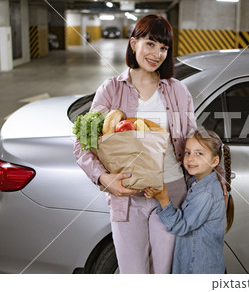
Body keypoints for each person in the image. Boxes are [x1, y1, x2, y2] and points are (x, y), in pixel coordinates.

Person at [73, 14, 196, 274]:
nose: (157, 54)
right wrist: (105, 179)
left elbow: (192, 142)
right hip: (127, 197)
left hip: (171, 193)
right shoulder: (111, 90)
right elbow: (83, 145)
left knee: (164, 273)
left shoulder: (178, 91)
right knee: (133, 274)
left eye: (163, 48)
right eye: (150, 44)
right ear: (133, 44)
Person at [144, 129, 234, 274]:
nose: (191, 158)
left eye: (199, 153)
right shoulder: (195, 182)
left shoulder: (205, 194)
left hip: (198, 270)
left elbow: (181, 226)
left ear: (214, 161)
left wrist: (163, 199)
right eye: (187, 152)